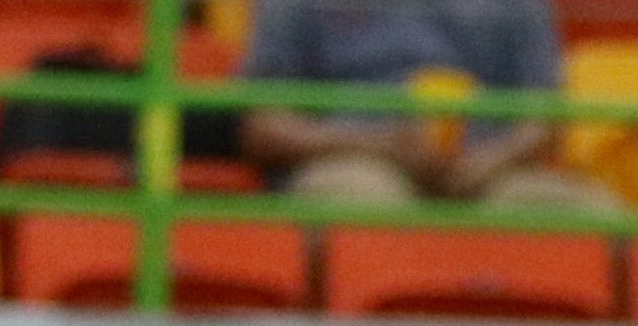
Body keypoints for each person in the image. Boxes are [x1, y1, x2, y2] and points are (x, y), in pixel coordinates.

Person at [239, 0, 594, 208]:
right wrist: (382, 145)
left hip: (492, 167)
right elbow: (265, 127)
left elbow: (545, 121)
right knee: (361, 201)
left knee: (580, 215)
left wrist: (488, 161)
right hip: (350, 159)